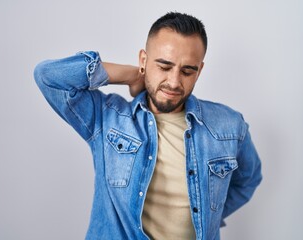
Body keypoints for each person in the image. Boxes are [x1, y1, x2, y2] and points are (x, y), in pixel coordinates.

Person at [34, 12, 262, 240]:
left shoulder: (229, 127)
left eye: (187, 71)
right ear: (144, 60)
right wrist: (130, 76)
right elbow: (48, 76)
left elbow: (248, 180)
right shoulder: (107, 119)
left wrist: (206, 217)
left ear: (199, 71)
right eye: (164, 66)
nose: (174, 82)